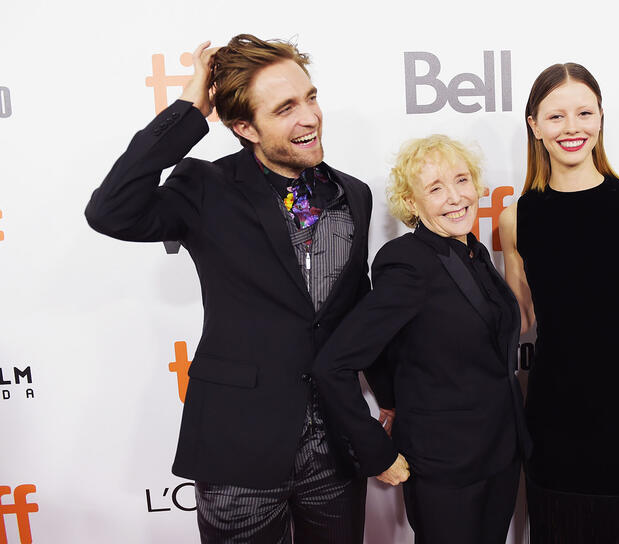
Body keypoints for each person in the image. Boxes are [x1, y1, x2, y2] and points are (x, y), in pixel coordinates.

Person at [85, 34, 393, 543]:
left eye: (311, 97)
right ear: (244, 127)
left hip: (334, 447)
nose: (310, 117)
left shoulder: (352, 194)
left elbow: (358, 308)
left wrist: (389, 394)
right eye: (286, 108)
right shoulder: (205, 187)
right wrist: (189, 110)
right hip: (238, 450)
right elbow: (109, 210)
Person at [311, 135, 532, 544]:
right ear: (412, 204)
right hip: (446, 470)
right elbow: (334, 364)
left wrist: (392, 397)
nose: (455, 197)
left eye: (461, 180)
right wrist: (375, 450)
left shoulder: (474, 252)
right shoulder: (406, 262)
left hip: (500, 455)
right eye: (435, 188)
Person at [499, 63, 619, 542]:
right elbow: (520, 319)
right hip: (553, 418)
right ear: (534, 125)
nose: (572, 127)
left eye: (584, 112)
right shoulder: (515, 218)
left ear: (600, 118)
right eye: (556, 116)